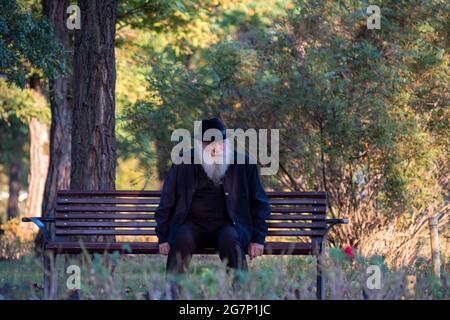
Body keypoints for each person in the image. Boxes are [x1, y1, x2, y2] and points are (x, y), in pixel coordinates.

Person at [155, 117, 271, 278]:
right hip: (192, 225)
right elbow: (166, 201)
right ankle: (173, 294)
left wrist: (258, 238)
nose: (217, 149)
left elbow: (260, 203)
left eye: (220, 143)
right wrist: (163, 237)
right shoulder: (183, 163)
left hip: (228, 225)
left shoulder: (244, 163)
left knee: (231, 241)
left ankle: (241, 296)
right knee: (181, 240)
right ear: (200, 145)